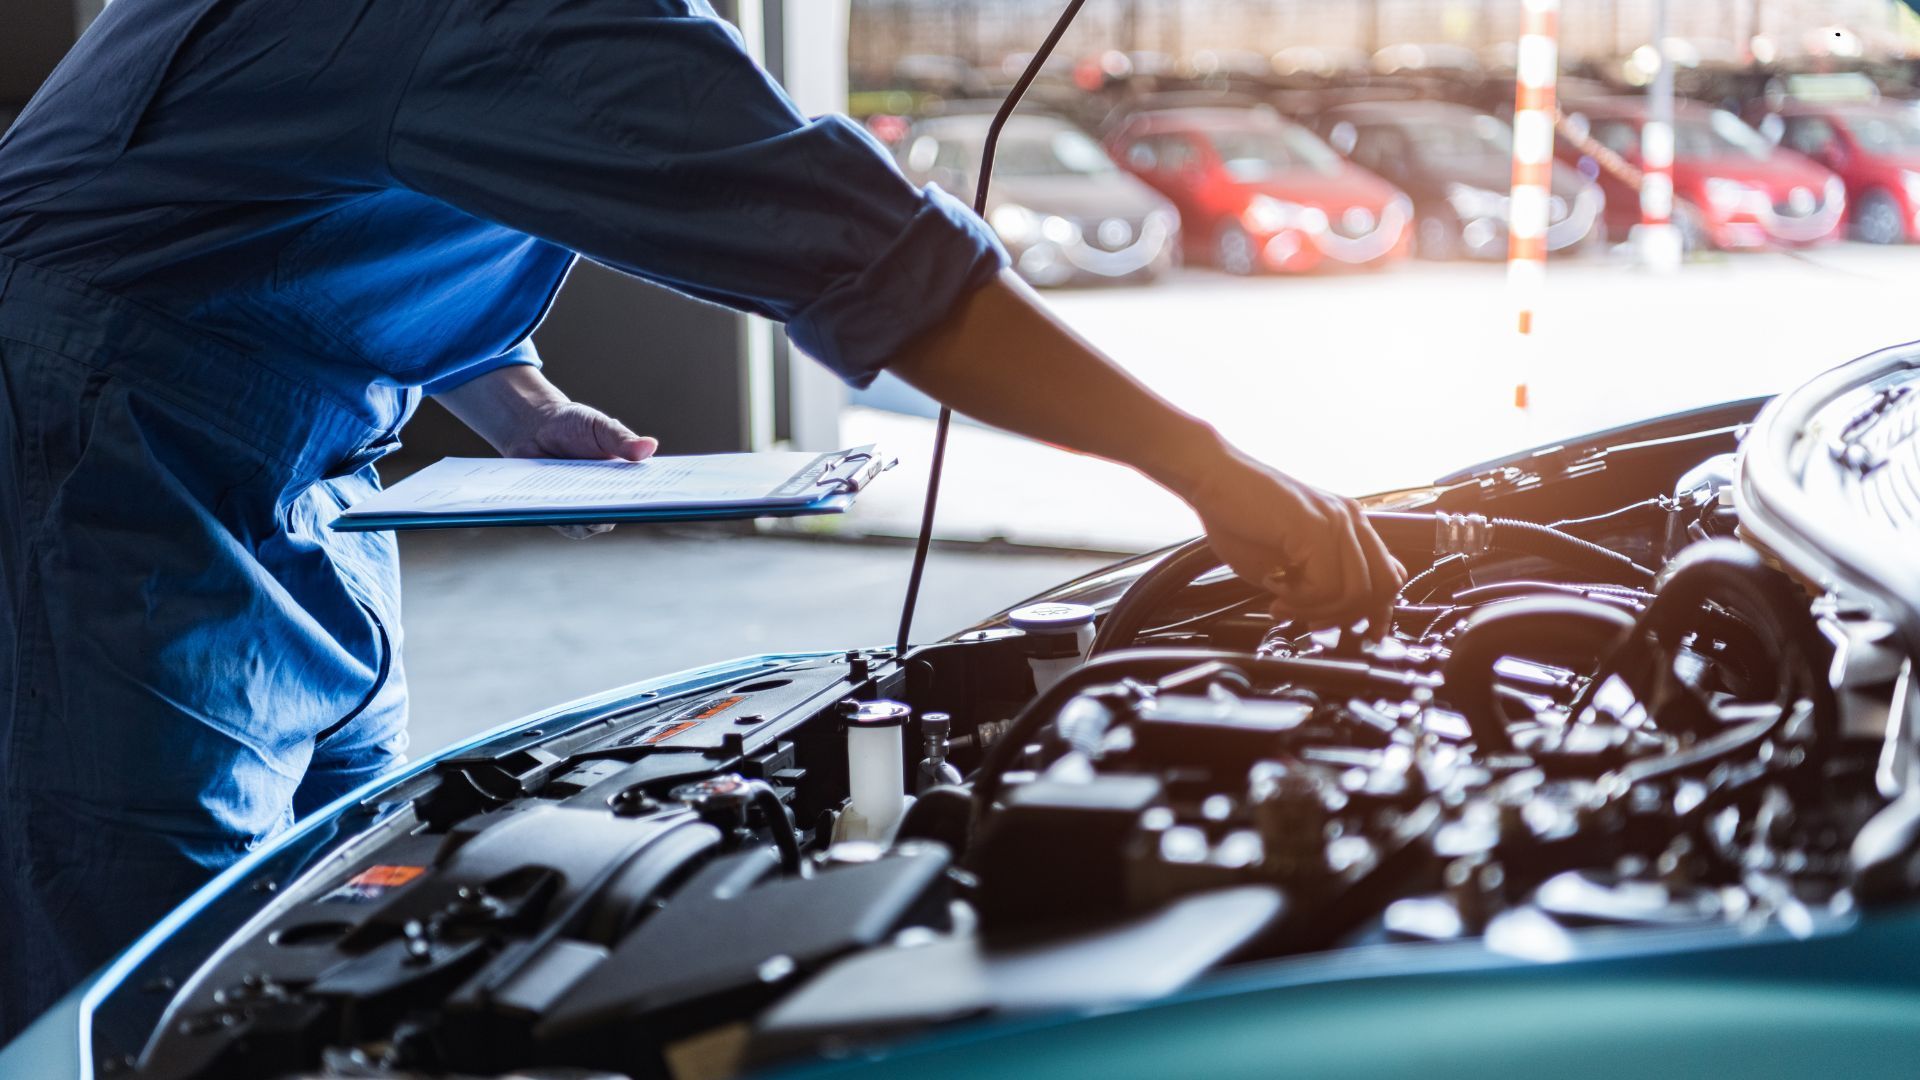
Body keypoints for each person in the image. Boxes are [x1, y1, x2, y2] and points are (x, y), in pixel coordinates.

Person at [0, 0, 1403, 1037]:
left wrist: (514, 398)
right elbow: (881, 264)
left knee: (335, 913)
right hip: (98, 450)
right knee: (149, 972)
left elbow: (288, 181)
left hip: (277, 442)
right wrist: (1213, 472)